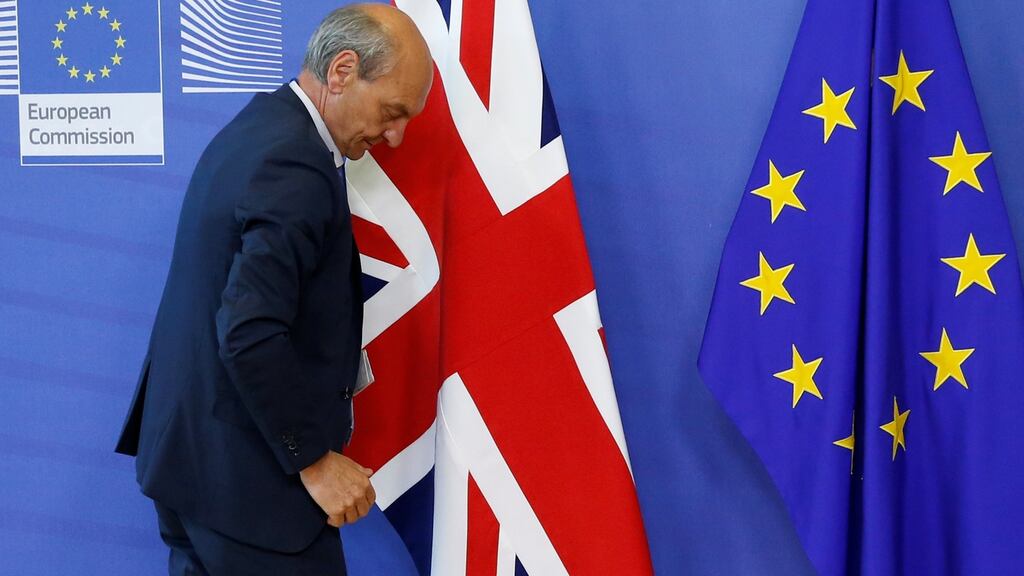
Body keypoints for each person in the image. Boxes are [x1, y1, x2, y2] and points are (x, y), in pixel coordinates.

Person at [114, 5, 433, 574]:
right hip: (248, 488)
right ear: (341, 71)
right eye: (391, 111)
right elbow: (249, 330)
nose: (397, 136)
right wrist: (312, 460)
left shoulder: (263, 126)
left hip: (194, 465)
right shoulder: (296, 164)